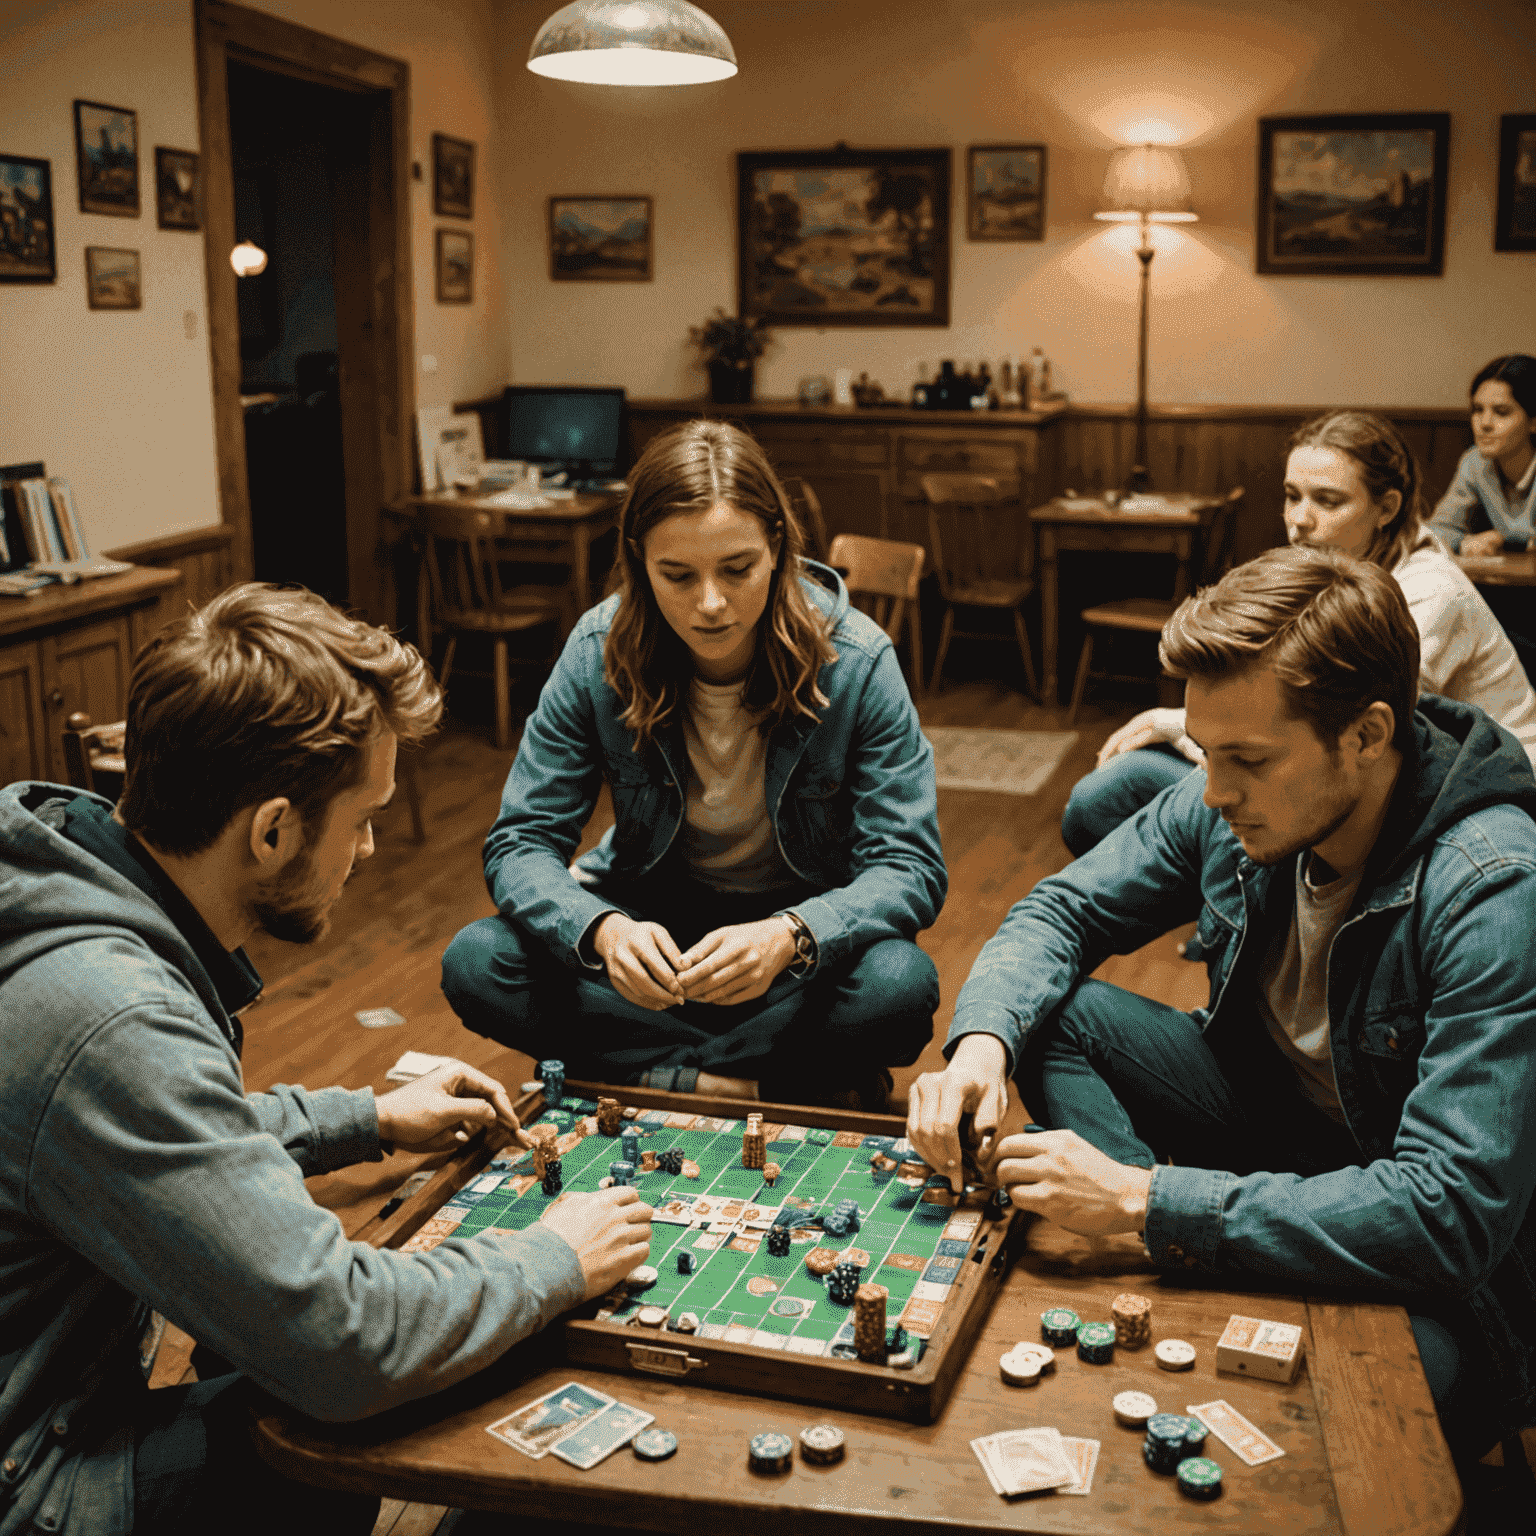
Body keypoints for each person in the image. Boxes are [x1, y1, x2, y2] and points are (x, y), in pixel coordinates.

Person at [0, 584, 652, 1536]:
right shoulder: (115, 1017)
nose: (371, 846)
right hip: (37, 1481)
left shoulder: (61, 880)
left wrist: (371, 1117)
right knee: (338, 1416)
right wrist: (555, 1256)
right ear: (271, 831)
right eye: (361, 819)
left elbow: (138, 1138)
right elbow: (347, 1344)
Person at [908, 544, 1536, 1468]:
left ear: (1366, 735)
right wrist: (977, 1049)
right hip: (1273, 1136)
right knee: (1048, 1014)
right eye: (1205, 753)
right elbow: (1060, 908)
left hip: (1442, 1266)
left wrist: (1144, 1196)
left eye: (1246, 759)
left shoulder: (1495, 883)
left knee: (1332, 1443)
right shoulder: (1239, 801)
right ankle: (1161, 1270)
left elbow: (1446, 1215)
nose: (1211, 791)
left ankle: (1168, 1234)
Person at [442, 419, 945, 1108]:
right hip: (652, 929)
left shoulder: (858, 659)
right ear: (639, 563)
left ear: (778, 547)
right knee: (477, 962)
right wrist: (602, 931)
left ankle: (638, 1074)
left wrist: (792, 936)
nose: (710, 603)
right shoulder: (596, 650)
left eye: (737, 569)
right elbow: (521, 843)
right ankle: (767, 1083)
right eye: (677, 575)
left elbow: (910, 868)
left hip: (790, 940)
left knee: (897, 987)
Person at [1061, 409, 1536, 855]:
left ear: (1386, 507)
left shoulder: (1427, 592)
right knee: (1103, 797)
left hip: (1490, 797)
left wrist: (1172, 723)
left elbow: (1345, 732)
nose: (1300, 520)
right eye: (1292, 496)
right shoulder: (1338, 566)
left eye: (1328, 501)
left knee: (1108, 795)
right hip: (1382, 772)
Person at [1427, 353, 1536, 682]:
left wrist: (1506, 539)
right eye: (1478, 410)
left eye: (1501, 412)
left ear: (1533, 420)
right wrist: (1463, 541)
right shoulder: (1475, 463)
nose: (1484, 423)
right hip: (1508, 600)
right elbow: (1437, 530)